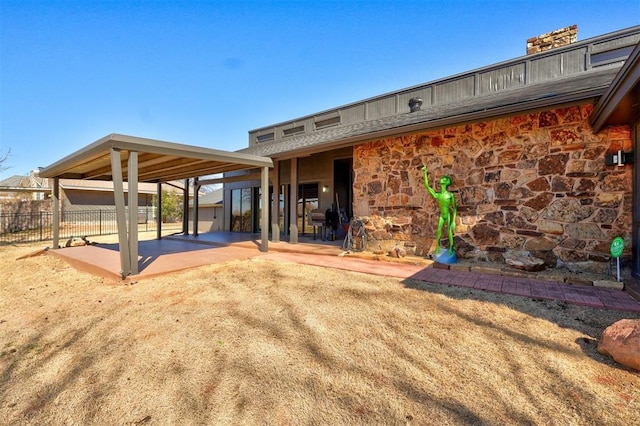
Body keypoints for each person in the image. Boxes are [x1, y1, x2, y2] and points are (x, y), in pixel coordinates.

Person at [422, 165, 457, 256]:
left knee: (449, 231)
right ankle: (437, 246)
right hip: (442, 215)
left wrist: (453, 221)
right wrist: (424, 173)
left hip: (448, 215)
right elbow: (427, 186)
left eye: (444, 179)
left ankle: (451, 247)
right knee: (438, 231)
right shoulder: (438, 195)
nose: (441, 180)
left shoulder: (450, 195)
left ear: (447, 182)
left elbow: (454, 208)